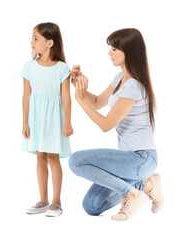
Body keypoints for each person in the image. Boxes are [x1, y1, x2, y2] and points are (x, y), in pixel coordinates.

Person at [69, 28, 163, 221]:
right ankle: (147, 186)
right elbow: (96, 102)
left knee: (76, 161)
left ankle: (132, 194)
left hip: (141, 158)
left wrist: (79, 100)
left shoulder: (135, 86)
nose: (109, 53)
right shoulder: (120, 79)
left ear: (128, 51)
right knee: (92, 206)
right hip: (127, 161)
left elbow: (106, 124)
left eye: (114, 49)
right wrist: (78, 84)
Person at [21, 22, 73, 217]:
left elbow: (66, 97)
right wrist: (25, 122)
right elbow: (26, 95)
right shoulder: (28, 67)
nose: (31, 42)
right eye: (32, 38)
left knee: (53, 157)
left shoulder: (62, 68)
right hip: (36, 118)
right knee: (40, 157)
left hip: (54, 119)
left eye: (36, 38)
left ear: (50, 43)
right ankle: (43, 200)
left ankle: (56, 202)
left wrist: (67, 122)